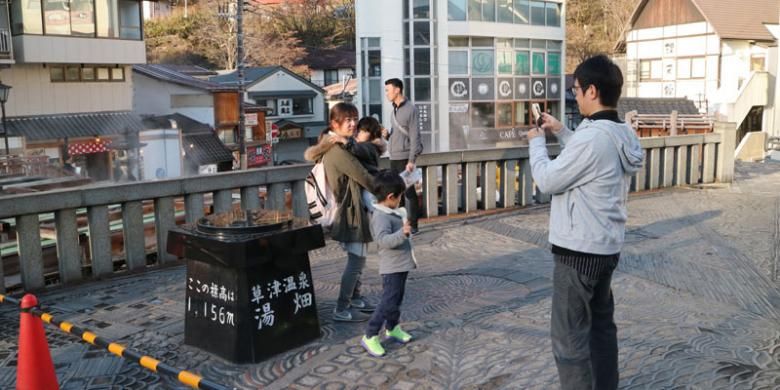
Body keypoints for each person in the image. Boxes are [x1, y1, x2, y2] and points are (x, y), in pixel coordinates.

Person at [526, 54, 644, 390]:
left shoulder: (593, 138)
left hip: (577, 251)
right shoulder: (621, 132)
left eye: (576, 89)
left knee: (569, 340)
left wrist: (536, 145)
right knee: (601, 330)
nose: (574, 96)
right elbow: (593, 156)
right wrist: (561, 131)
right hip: (606, 248)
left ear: (592, 91)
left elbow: (548, 181)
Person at [304, 103, 377, 322]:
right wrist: (390, 188)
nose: (353, 123)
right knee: (356, 260)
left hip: (355, 209)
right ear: (334, 124)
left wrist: (349, 142)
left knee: (359, 259)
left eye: (355, 118)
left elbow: (370, 154)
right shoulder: (336, 151)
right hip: (350, 212)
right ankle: (341, 306)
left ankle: (355, 296)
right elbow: (364, 176)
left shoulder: (343, 145)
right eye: (347, 120)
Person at [360, 170, 416, 357]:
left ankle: (392, 327)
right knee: (388, 302)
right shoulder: (381, 216)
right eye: (399, 196)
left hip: (401, 264)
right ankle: (370, 334)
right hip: (392, 267)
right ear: (391, 196)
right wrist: (403, 233)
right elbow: (383, 240)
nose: (401, 200)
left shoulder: (392, 211)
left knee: (396, 300)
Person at [383, 78, 423, 234]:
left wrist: (411, 161)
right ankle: (401, 225)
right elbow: (398, 134)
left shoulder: (410, 109)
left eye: (388, 90)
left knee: (409, 193)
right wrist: (387, 136)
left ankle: (413, 226)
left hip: (405, 158)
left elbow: (415, 136)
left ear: (397, 90)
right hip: (394, 157)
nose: (386, 93)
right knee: (396, 192)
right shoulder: (394, 109)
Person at [329, 116, 387, 212]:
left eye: (361, 131)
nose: (357, 134)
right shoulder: (369, 145)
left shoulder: (370, 147)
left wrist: (344, 141)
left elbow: (358, 150)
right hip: (370, 183)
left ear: (371, 134)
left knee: (377, 213)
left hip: (369, 187)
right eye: (358, 131)